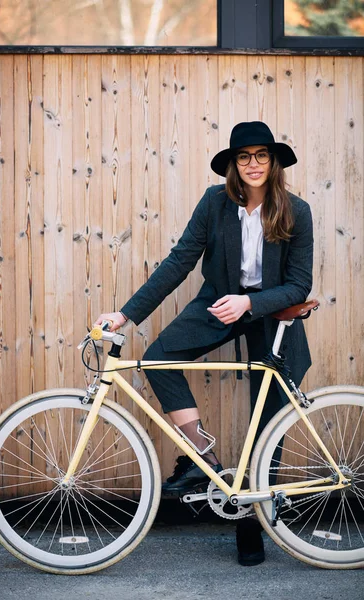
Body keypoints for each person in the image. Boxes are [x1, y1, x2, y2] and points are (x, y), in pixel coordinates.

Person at [94, 121, 314, 566]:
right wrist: (126, 313)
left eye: (262, 155)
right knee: (157, 359)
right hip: (217, 303)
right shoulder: (215, 204)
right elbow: (179, 262)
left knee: (267, 418)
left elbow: (298, 284)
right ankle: (201, 460)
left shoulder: (296, 210)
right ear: (233, 165)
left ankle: (254, 523)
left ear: (273, 163)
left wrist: (251, 302)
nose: (253, 164)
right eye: (244, 156)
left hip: (272, 313)